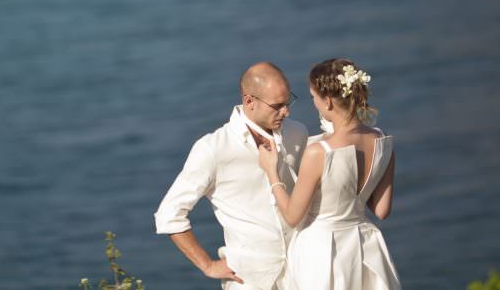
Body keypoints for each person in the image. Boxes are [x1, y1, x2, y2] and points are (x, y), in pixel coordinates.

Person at [154, 62, 309, 290]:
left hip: (302, 271)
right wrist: (207, 265)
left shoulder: (297, 133)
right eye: (277, 106)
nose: (286, 112)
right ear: (249, 101)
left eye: (288, 102)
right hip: (249, 280)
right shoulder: (213, 148)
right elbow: (169, 214)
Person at [258, 58, 401, 290]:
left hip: (322, 251)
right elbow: (381, 210)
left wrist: (271, 172)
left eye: (314, 97)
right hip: (363, 245)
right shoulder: (381, 140)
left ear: (328, 101)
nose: (314, 103)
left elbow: (293, 218)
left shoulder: (319, 152)